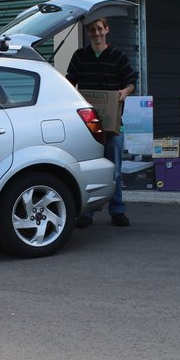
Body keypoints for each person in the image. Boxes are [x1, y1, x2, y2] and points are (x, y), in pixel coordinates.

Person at [66, 17, 137, 228]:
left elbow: (131, 82)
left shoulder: (118, 56)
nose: (96, 33)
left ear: (107, 29)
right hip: (87, 126)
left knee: (114, 169)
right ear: (88, 33)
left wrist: (123, 93)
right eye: (92, 30)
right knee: (89, 169)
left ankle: (117, 211)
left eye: (99, 29)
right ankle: (87, 213)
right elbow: (70, 81)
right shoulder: (80, 56)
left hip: (113, 125)